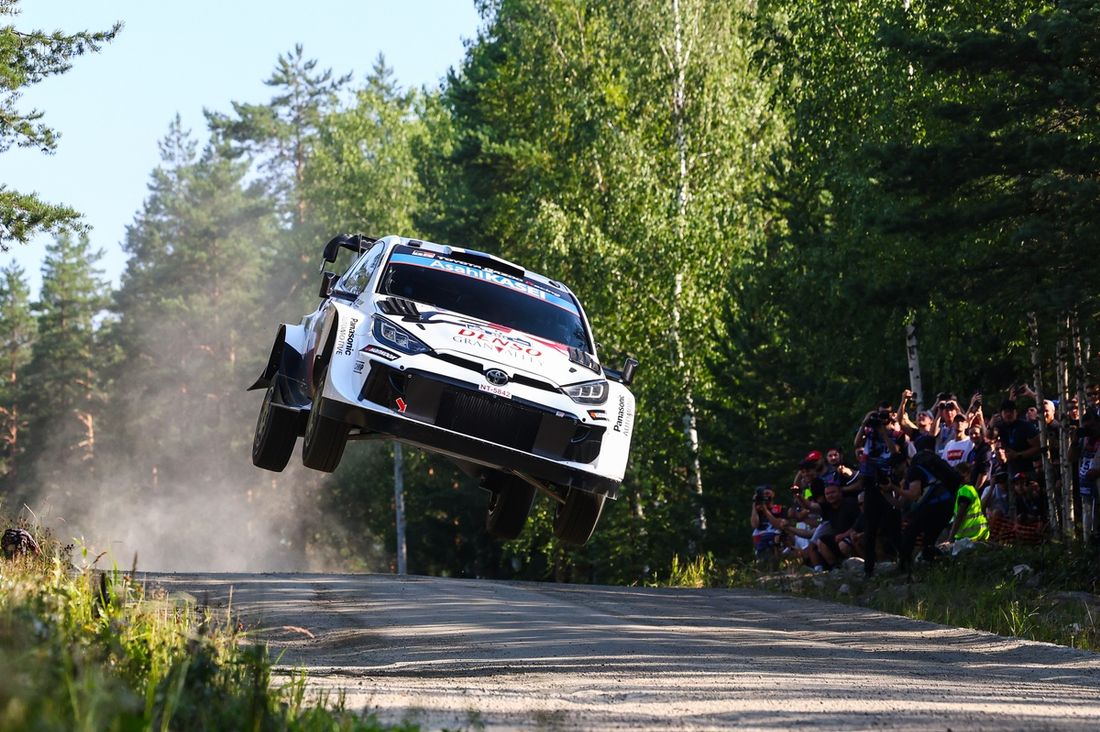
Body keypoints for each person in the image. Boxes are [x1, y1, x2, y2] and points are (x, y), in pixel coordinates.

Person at [897, 449, 961, 572]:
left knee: (911, 530)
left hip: (936, 505)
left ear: (905, 463)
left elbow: (914, 495)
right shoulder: (926, 472)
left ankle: (904, 567)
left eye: (895, 467)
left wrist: (895, 488)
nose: (894, 471)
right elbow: (900, 503)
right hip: (946, 505)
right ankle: (938, 567)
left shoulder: (914, 471)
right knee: (928, 541)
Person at [948, 463, 989, 542]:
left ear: (965, 474)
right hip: (980, 533)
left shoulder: (965, 490)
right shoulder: (971, 489)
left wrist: (950, 537)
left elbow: (959, 515)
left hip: (969, 537)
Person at [750, 486, 785, 561]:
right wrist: (754, 504)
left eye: (767, 493)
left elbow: (778, 525)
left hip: (774, 536)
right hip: (760, 537)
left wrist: (765, 510)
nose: (765, 496)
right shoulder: (757, 511)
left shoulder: (778, 509)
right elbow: (754, 525)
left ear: (773, 494)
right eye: (763, 494)